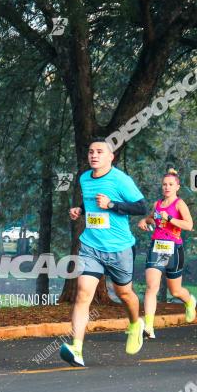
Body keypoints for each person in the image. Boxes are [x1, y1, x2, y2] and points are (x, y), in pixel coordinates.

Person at [60, 138, 148, 367]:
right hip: (91, 246)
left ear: (111, 157)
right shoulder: (85, 178)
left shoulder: (121, 180)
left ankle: (135, 324)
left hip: (119, 249)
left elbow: (141, 207)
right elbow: (89, 202)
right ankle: (76, 349)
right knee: (82, 294)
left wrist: (111, 205)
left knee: (125, 293)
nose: (94, 155)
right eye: (91, 151)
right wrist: (79, 209)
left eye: (100, 151)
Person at [137, 168, 197, 339]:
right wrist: (144, 221)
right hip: (157, 248)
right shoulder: (157, 204)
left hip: (174, 250)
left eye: (171, 184)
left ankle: (190, 301)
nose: (167, 187)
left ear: (177, 187)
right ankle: (148, 327)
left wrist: (170, 219)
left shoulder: (179, 204)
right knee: (152, 287)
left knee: (175, 291)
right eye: (164, 184)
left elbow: (189, 225)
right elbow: (151, 218)